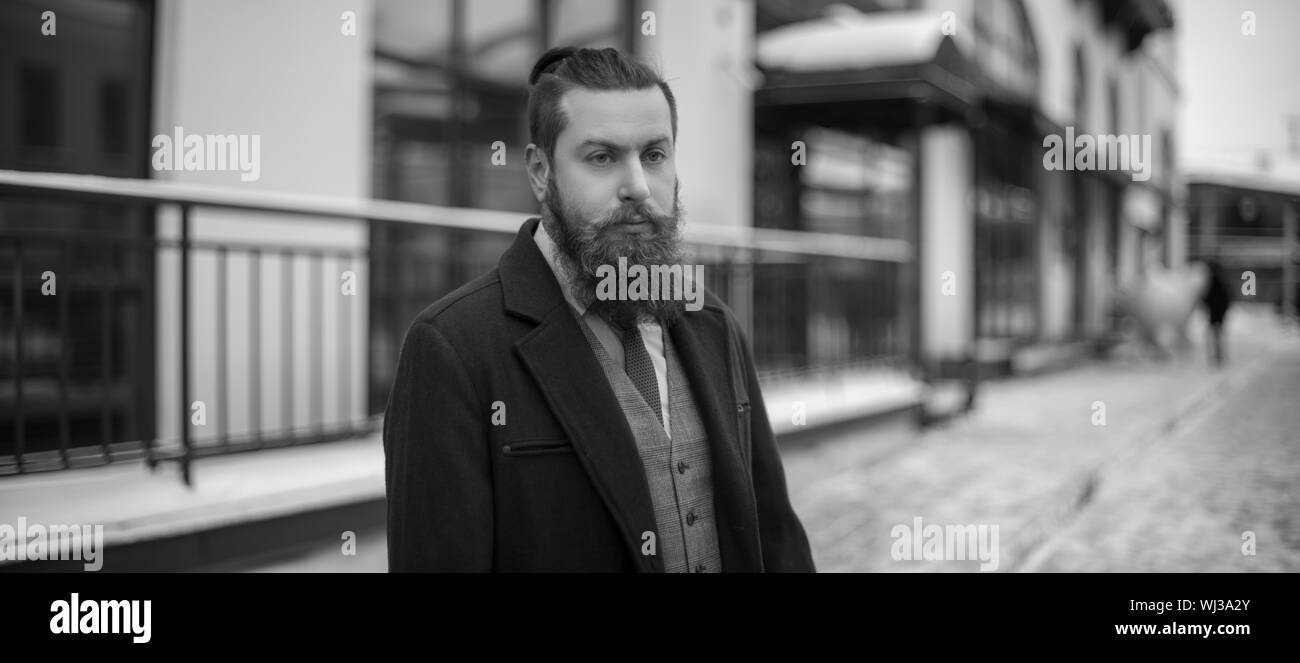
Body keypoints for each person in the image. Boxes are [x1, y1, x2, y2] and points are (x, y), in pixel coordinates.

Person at [382, 46, 815, 572]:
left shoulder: (712, 322)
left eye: (654, 155)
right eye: (602, 157)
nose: (636, 186)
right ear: (541, 172)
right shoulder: (453, 348)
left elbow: (775, 536)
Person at [1200, 258, 1232, 367]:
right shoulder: (1221, 282)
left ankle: (1216, 356)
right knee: (1218, 335)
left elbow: (1207, 298)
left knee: (1215, 336)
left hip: (1215, 313)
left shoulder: (1212, 283)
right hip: (1218, 313)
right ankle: (1219, 356)